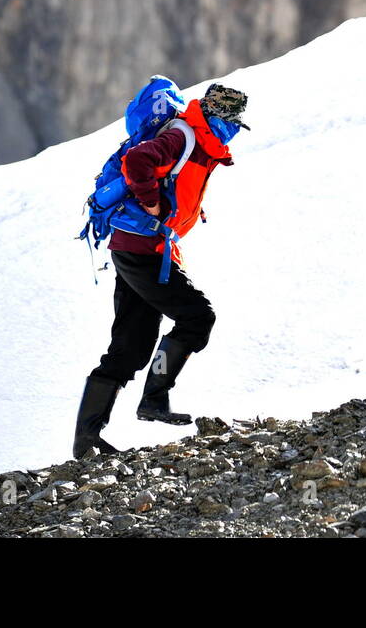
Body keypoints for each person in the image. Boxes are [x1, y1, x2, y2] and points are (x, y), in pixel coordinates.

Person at [72, 83, 247, 458]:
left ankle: (87, 441)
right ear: (221, 117)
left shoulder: (195, 139)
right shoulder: (183, 136)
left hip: (138, 247)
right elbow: (136, 162)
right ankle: (154, 399)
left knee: (130, 347)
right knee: (197, 316)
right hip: (142, 250)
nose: (234, 131)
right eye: (233, 122)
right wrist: (152, 205)